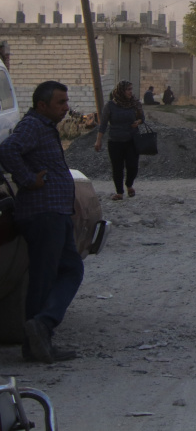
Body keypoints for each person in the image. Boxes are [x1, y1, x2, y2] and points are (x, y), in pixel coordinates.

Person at [0, 81, 84, 363]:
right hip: (44, 213)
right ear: (42, 105)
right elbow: (7, 150)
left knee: (53, 274)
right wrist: (27, 179)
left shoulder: (44, 127)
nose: (66, 107)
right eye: (61, 102)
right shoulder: (32, 126)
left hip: (54, 212)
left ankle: (36, 341)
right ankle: (43, 325)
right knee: (59, 273)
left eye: (66, 101)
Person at [94, 80, 145, 200]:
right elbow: (103, 124)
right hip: (115, 141)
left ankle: (129, 184)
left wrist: (138, 122)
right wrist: (98, 140)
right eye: (128, 89)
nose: (130, 92)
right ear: (121, 91)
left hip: (132, 140)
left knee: (133, 166)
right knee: (117, 168)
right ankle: (119, 192)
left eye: (131, 89)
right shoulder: (110, 106)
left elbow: (142, 117)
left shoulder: (135, 103)